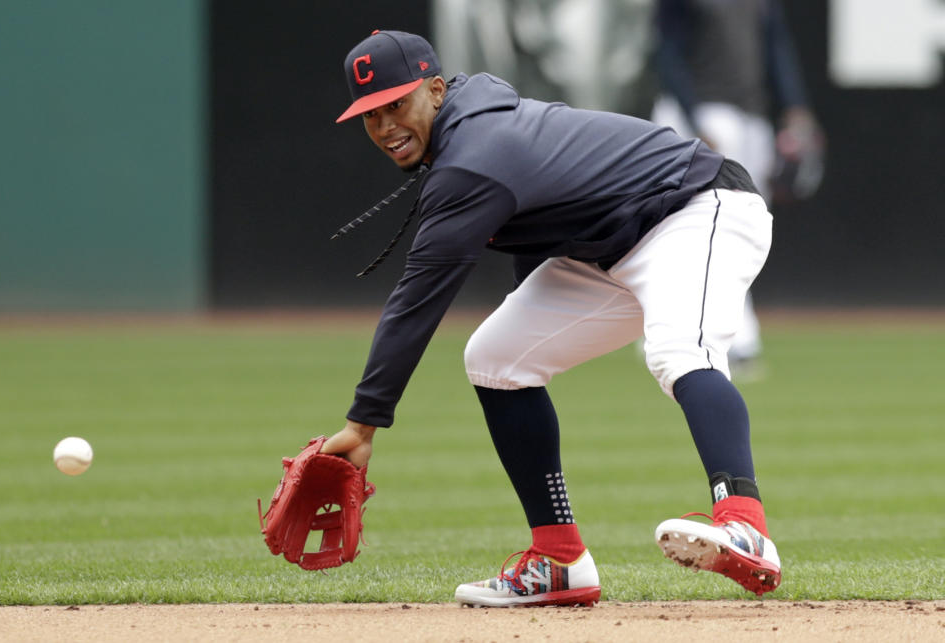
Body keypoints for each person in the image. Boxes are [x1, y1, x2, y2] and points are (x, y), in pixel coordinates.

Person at [320, 29, 780, 607]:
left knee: (679, 352)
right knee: (497, 358)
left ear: (435, 90)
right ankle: (559, 560)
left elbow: (418, 299)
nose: (386, 126)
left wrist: (363, 425)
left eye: (397, 104)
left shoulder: (472, 158)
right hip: (608, 247)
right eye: (370, 114)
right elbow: (536, 220)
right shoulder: (471, 130)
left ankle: (745, 525)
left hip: (696, 205)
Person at [652, 0, 824, 377]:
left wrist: (795, 105)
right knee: (708, 232)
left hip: (751, 116)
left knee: (741, 232)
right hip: (702, 113)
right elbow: (667, 51)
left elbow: (776, 46)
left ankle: (703, 334)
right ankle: (737, 341)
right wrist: (692, 117)